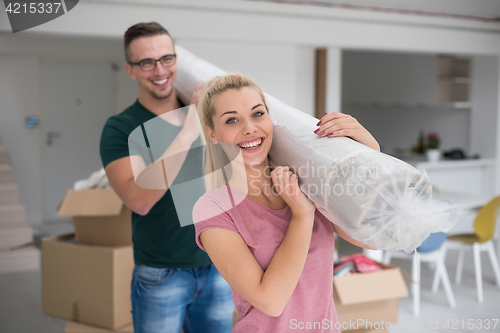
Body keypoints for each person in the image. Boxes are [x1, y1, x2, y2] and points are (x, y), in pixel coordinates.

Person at [192, 74, 380, 332]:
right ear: (212, 133)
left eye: (257, 114)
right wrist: (302, 215)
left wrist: (371, 154)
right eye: (232, 120)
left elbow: (369, 239)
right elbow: (271, 301)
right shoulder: (213, 208)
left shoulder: (306, 180)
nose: (249, 128)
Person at [99, 22, 234, 333]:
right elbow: (139, 199)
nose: (159, 70)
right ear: (131, 70)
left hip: (219, 267)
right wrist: (188, 130)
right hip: (161, 274)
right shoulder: (121, 128)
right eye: (146, 62)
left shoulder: (206, 114)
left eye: (166, 59)